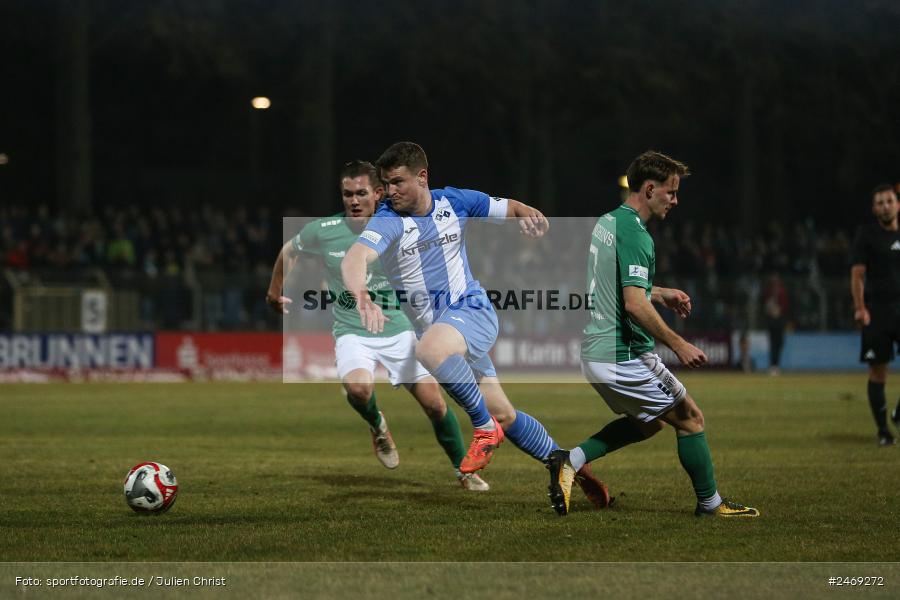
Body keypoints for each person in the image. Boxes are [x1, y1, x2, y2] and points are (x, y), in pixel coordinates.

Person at [341, 142, 610, 507]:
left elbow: (509, 207)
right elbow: (356, 257)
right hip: (444, 338)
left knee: (430, 352)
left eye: (397, 182)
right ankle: (569, 467)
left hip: (470, 311)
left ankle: (483, 429)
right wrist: (361, 295)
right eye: (386, 184)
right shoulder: (388, 219)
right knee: (505, 413)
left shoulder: (455, 201)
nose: (389, 192)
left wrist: (526, 212)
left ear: (422, 177)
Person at [546, 150, 759, 518]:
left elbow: (620, 288)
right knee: (690, 418)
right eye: (671, 192)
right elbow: (633, 304)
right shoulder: (636, 235)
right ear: (649, 189)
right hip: (621, 353)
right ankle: (711, 504)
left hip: (597, 351)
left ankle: (571, 460)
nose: (675, 201)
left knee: (651, 422)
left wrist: (661, 293)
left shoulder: (608, 223)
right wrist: (678, 343)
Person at [267, 160, 489, 491]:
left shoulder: (398, 224)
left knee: (434, 404)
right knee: (358, 389)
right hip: (352, 329)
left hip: (402, 327)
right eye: (347, 194)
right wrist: (274, 291)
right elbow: (290, 249)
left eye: (361, 193)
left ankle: (464, 470)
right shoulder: (324, 230)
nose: (353, 201)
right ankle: (378, 425)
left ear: (378, 193)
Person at [850, 183, 900, 446]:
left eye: (889, 201)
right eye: (880, 202)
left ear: (898, 204)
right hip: (877, 311)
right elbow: (858, 275)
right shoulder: (867, 235)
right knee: (878, 371)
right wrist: (860, 307)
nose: (885, 206)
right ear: (874, 208)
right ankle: (883, 431)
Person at [762, 271, 789, 375]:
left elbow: (785, 307)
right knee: (773, 344)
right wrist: (771, 312)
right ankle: (773, 366)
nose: (775, 284)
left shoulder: (782, 293)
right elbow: (765, 306)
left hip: (780, 321)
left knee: (779, 344)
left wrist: (779, 312)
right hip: (771, 321)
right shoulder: (768, 293)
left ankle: (776, 365)